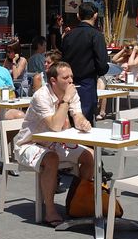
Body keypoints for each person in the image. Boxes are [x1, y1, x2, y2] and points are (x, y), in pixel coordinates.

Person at [14, 61, 95, 226]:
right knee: (51, 159)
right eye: (66, 77)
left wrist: (83, 122)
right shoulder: (41, 96)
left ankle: (76, 202)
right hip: (28, 144)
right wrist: (65, 100)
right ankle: (50, 210)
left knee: (89, 155)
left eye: (71, 76)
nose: (71, 80)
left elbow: (77, 115)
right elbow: (55, 125)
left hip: (55, 143)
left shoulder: (71, 92)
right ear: (53, 81)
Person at [60, 2, 109, 123]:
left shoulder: (68, 35)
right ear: (95, 15)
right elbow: (102, 65)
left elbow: (63, 59)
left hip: (67, 84)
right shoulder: (96, 35)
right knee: (84, 122)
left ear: (78, 16)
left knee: (68, 121)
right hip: (87, 83)